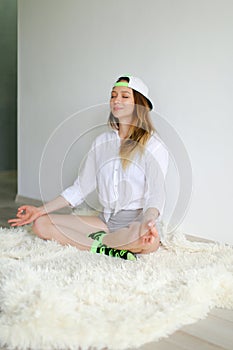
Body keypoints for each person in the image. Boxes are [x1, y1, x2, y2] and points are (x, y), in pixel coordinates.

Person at [9, 75, 169, 260]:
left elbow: (156, 194)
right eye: (113, 95)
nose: (116, 100)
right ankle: (108, 245)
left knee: (147, 241)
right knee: (41, 224)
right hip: (105, 220)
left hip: (135, 222)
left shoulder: (153, 145)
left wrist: (148, 222)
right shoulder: (101, 142)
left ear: (140, 104)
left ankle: (108, 242)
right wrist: (39, 210)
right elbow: (80, 189)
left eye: (125, 96)